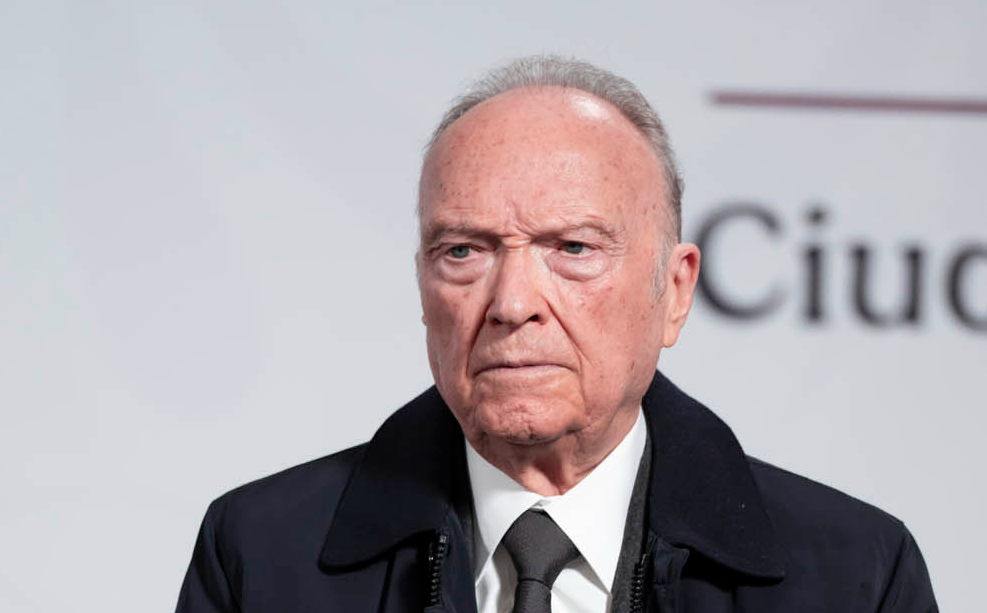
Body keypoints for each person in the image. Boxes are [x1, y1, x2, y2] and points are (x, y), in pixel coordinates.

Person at [175, 56, 937, 612]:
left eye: (572, 247)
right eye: (462, 251)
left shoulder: (855, 577)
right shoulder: (258, 556)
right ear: (422, 285)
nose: (512, 303)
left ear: (674, 291)